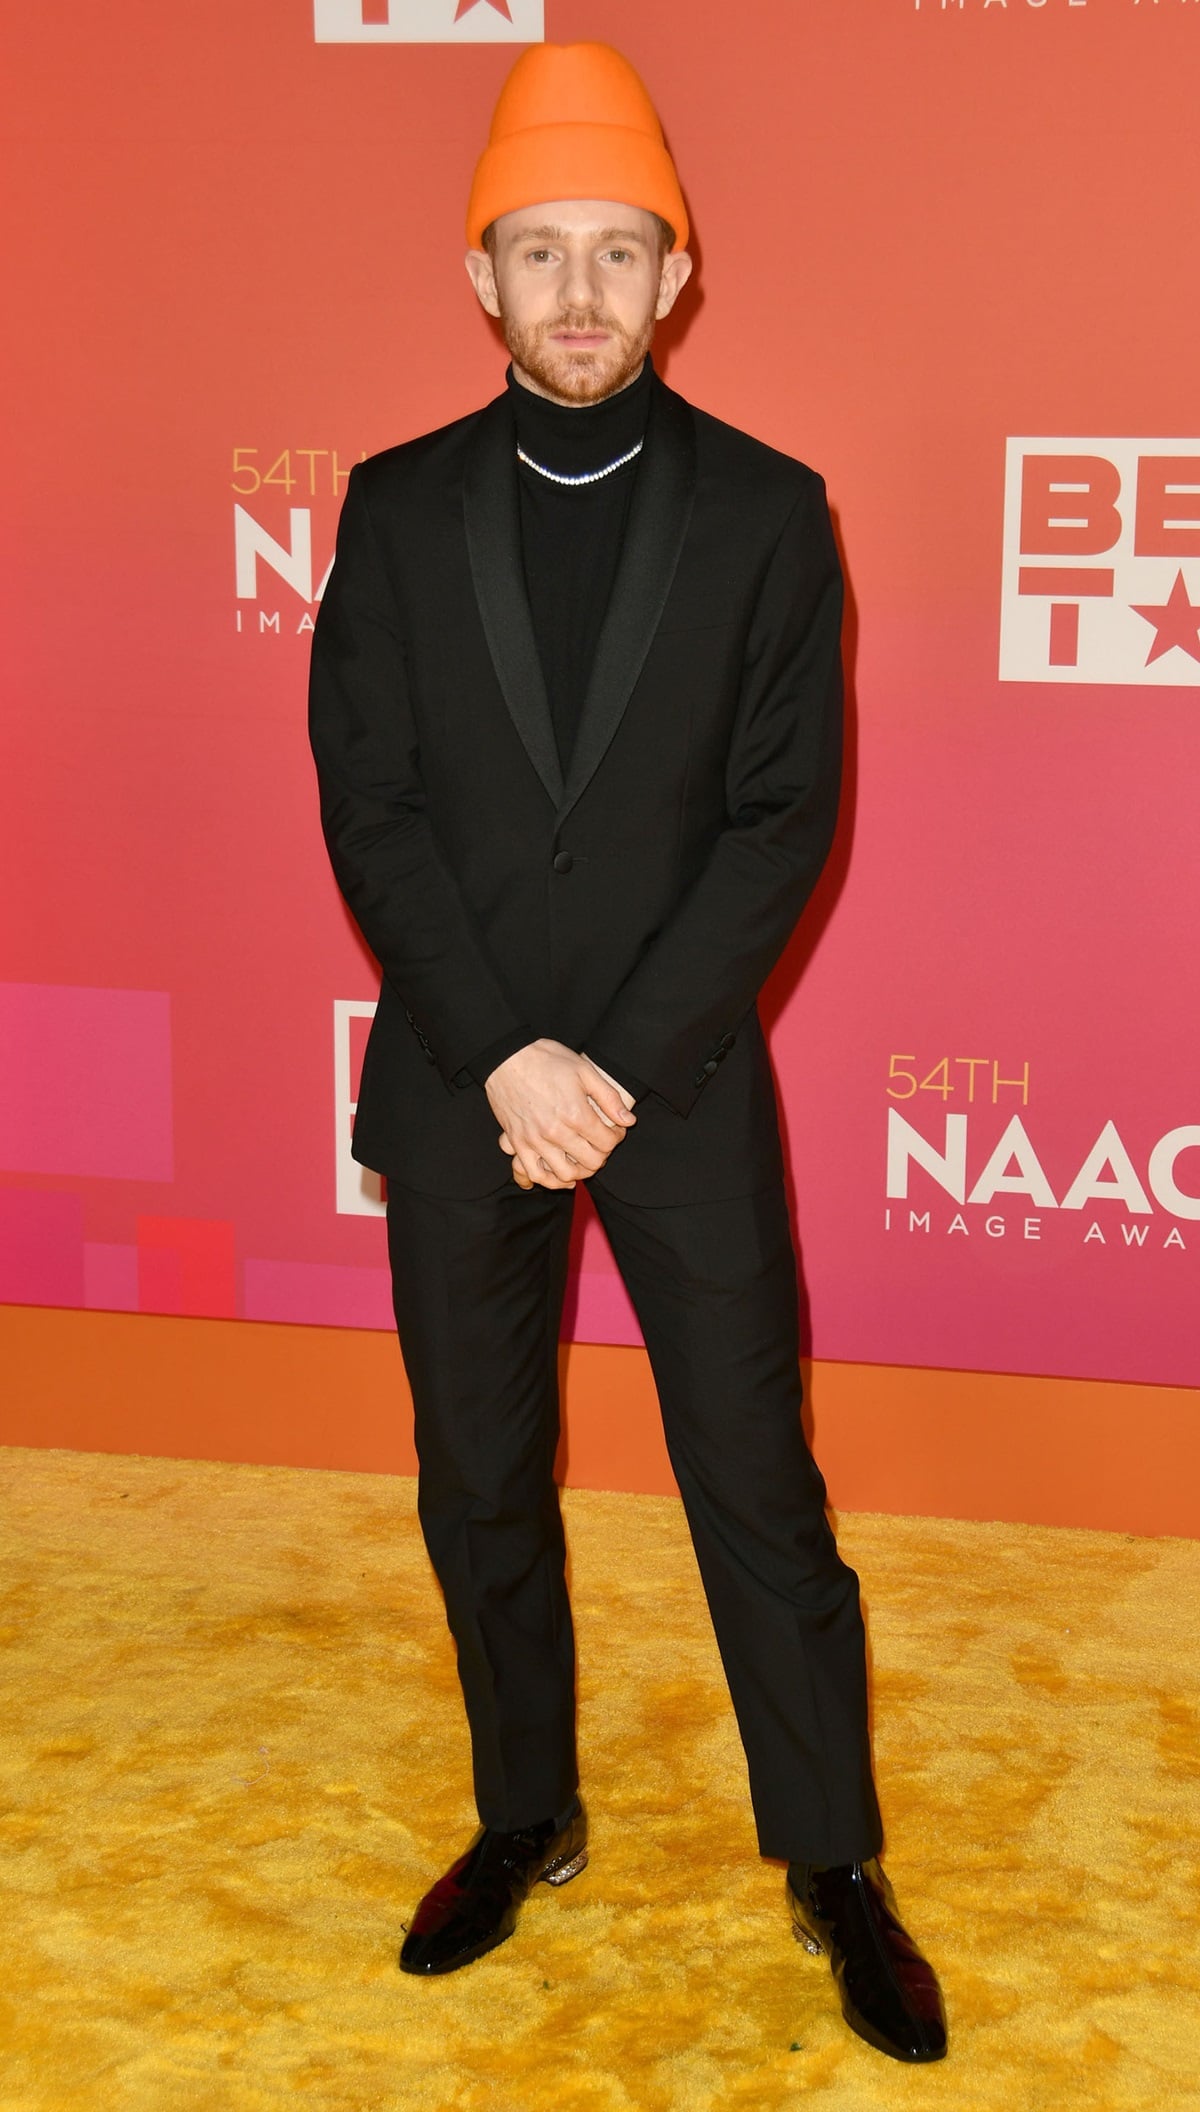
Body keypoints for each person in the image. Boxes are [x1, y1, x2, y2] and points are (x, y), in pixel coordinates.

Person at [308, 41, 947, 2065]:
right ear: (478, 279)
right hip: (460, 1080)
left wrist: (613, 1065)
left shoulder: (773, 515)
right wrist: (504, 1057)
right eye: (539, 255)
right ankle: (524, 1813)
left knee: (755, 1481)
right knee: (479, 1479)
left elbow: (782, 818)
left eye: (619, 255)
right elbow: (373, 806)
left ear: (678, 279)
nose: (579, 292)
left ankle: (832, 1861)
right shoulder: (396, 512)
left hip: (675, 1091)